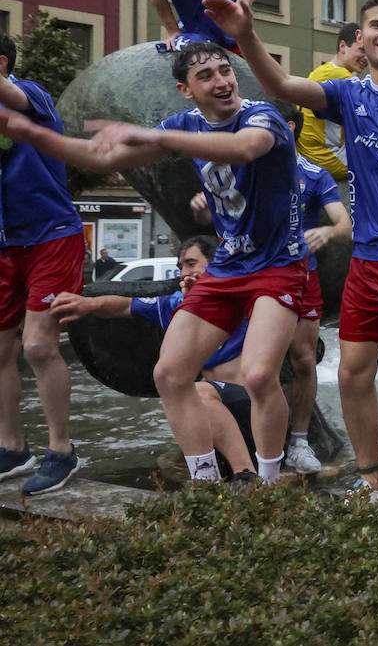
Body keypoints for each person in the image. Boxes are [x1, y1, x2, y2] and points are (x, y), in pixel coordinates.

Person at [208, 0, 378, 521]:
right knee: (353, 374)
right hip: (372, 258)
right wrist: (245, 35)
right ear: (359, 38)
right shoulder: (347, 95)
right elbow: (282, 87)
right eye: (375, 26)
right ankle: (374, 480)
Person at [0, 41, 306, 485]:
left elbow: (243, 148)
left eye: (225, 70)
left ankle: (271, 481)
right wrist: (37, 136)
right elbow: (106, 158)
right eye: (207, 76)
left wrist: (156, 136)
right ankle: (205, 481)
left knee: (259, 375)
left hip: (278, 264)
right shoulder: (185, 123)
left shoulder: (261, 115)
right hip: (228, 267)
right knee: (169, 372)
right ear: (186, 89)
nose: (222, 81)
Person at [190, 108, 352, 474]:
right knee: (246, 363)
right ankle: (243, 445)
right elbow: (214, 215)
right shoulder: (242, 170)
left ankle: (298, 441)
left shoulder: (313, 173)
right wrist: (201, 206)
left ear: (289, 129)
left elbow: (345, 224)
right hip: (247, 274)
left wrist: (327, 232)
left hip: (300, 276)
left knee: (303, 360)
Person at [50, 236, 260, 481]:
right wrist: (88, 304)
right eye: (180, 266)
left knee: (194, 390)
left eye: (192, 264)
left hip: (252, 407)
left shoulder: (241, 294)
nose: (184, 272)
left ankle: (244, 475)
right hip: (217, 410)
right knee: (179, 392)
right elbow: (122, 306)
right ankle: (208, 478)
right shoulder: (177, 306)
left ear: (216, 265)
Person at [0, 32, 87, 495]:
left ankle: (61, 451)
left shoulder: (31, 94)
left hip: (53, 235)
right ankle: (13, 449)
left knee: (37, 346)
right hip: (4, 244)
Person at [298, 23, 368, 179]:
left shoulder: (321, 71)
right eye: (362, 50)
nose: (367, 58)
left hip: (309, 155)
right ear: (343, 46)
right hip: (329, 158)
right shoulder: (341, 76)